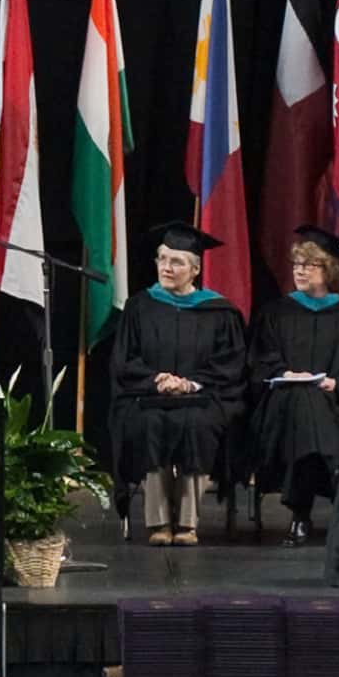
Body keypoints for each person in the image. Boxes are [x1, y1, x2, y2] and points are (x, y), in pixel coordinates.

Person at [109, 222, 246, 546]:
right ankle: (158, 523)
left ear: (195, 269)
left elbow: (231, 365)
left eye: (177, 261)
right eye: (162, 259)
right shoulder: (140, 306)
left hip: (202, 397)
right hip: (148, 396)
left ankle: (187, 523)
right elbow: (123, 360)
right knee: (150, 423)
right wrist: (157, 380)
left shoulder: (219, 311)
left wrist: (190, 384)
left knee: (197, 423)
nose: (166, 267)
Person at [247, 225, 339, 546]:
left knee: (309, 405)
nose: (300, 271)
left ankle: (300, 515)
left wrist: (337, 382)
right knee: (302, 397)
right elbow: (261, 361)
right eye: (297, 264)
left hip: (337, 402)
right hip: (281, 404)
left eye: (309, 265)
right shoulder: (276, 312)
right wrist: (285, 374)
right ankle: (336, 470)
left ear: (329, 269)